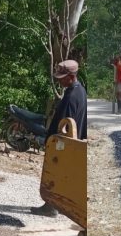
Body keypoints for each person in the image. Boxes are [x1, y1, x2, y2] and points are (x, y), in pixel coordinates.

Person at [31, 60, 87, 218]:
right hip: (72, 141)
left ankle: (52, 207)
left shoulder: (71, 97)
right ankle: (54, 205)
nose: (59, 80)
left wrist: (53, 143)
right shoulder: (80, 90)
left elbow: (64, 125)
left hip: (64, 142)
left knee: (55, 173)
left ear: (71, 76)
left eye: (62, 77)